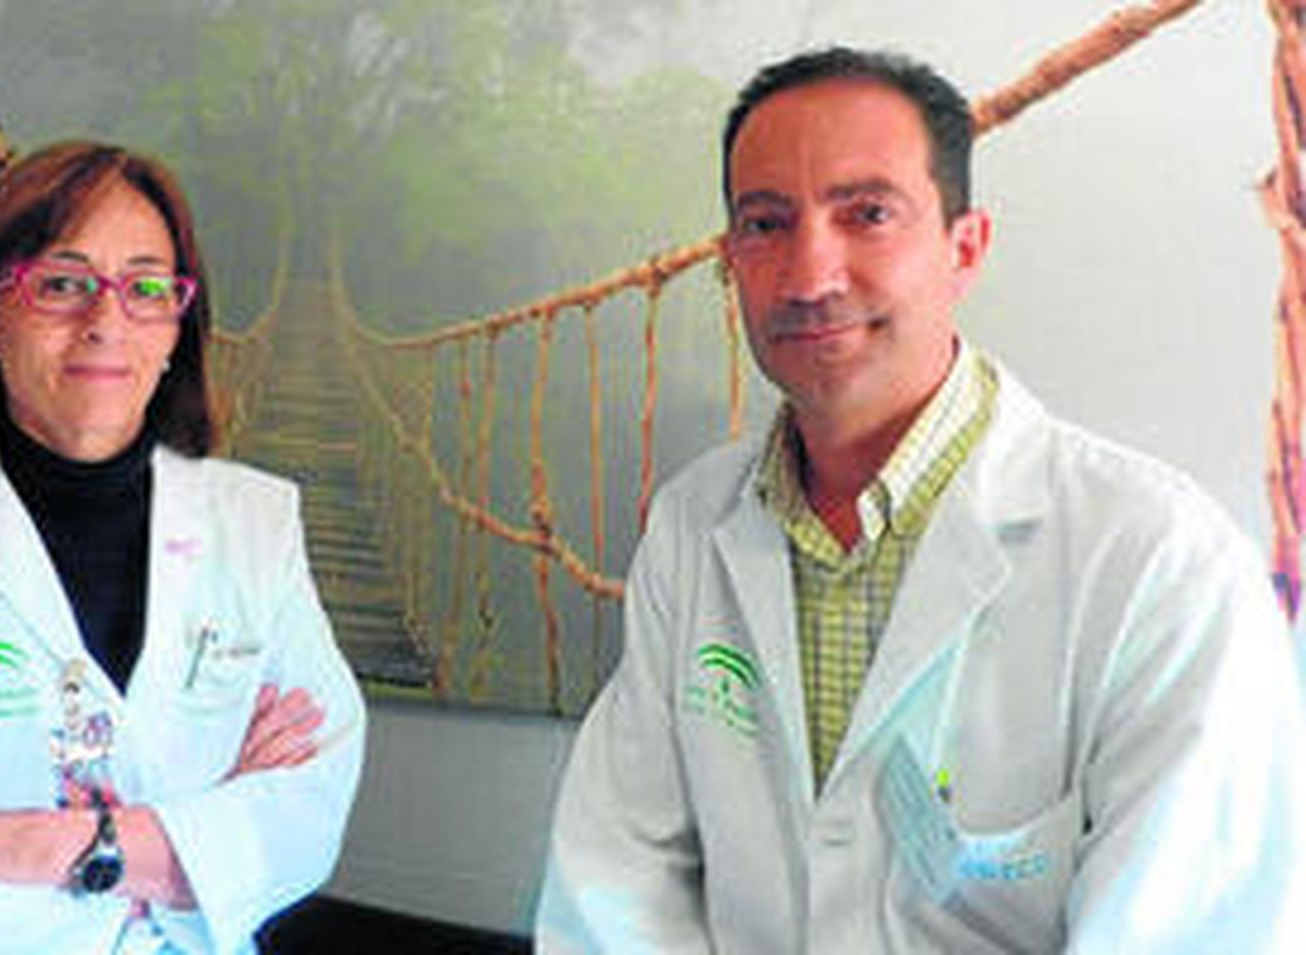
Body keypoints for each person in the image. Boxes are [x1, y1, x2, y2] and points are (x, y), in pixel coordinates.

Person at [537, 47, 1306, 952]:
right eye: (766, 223)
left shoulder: (1161, 562)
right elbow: (616, 881)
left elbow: (1192, 930)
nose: (811, 276)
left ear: (963, 248)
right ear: (731, 258)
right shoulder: (691, 525)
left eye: (867, 214)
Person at [0, 140, 366, 954]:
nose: (106, 321)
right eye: (61, 284)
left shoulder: (258, 522)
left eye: (146, 288)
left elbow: (307, 814)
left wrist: (40, 844)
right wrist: (190, 854)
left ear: (175, 329)